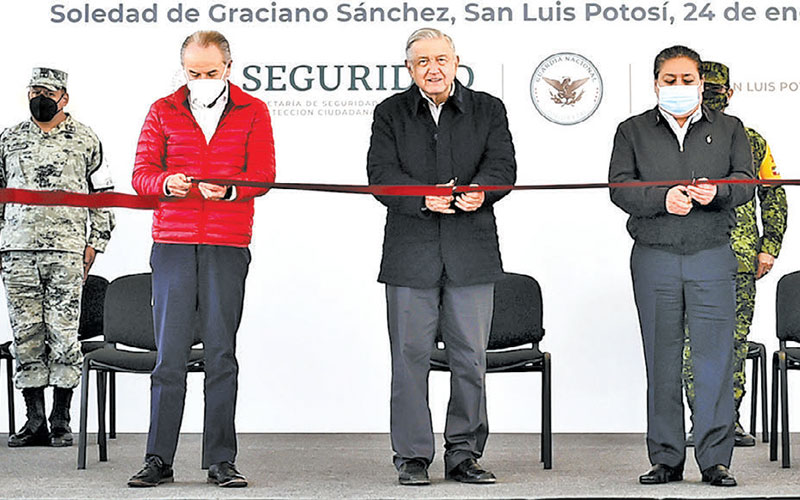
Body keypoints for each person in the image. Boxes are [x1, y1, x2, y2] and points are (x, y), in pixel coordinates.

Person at [367, 27, 516, 486]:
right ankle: (412, 456)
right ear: (409, 69)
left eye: (441, 59)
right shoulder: (390, 112)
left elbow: (503, 167)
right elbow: (380, 175)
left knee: (470, 357)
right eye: (422, 62)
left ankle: (464, 453)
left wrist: (481, 192)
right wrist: (420, 198)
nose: (433, 69)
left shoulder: (488, 108)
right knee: (409, 357)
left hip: (470, 251)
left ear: (456, 62)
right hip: (411, 254)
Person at [128, 30, 275, 488]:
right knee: (168, 356)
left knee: (220, 353)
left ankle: (220, 460)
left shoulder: (254, 111)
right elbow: (141, 175)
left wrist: (231, 189)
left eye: (211, 73)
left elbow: (264, 175)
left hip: (227, 243)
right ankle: (158, 458)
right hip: (173, 242)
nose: (202, 79)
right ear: (183, 69)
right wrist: (166, 183)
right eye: (194, 73)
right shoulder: (162, 110)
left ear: (229, 68)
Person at [608, 46, 754, 487]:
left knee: (714, 360)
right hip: (655, 257)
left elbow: (747, 182)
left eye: (686, 79)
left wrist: (720, 193)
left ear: (701, 83)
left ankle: (715, 460)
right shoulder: (632, 130)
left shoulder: (729, 129)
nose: (678, 87)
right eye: (669, 80)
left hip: (712, 254)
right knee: (662, 359)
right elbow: (619, 187)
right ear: (655, 83)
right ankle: (666, 458)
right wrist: (661, 199)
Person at [0, 67, 115, 448]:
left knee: (64, 334)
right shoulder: (10, 138)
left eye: (48, 91)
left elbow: (104, 195)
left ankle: (61, 420)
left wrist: (94, 244)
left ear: (64, 97)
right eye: (34, 90)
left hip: (66, 251)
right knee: (26, 334)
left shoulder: (86, 139)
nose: (39, 97)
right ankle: (33, 421)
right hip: (17, 252)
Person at [682, 61, 788, 448]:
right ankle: (704, 422)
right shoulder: (678, 138)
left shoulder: (751, 139)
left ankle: (727, 421)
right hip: (693, 253)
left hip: (740, 258)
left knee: (732, 342)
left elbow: (773, 192)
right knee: (697, 342)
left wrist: (769, 247)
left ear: (728, 93)